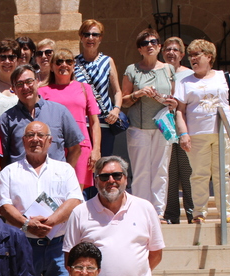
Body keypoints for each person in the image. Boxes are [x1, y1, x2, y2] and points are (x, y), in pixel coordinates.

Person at [0, 121, 82, 276]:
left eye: (40, 135)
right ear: (23, 140)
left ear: (49, 141)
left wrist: (48, 223)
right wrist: (27, 225)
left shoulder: (65, 169)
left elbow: (74, 201)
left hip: (58, 247)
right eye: (30, 135)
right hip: (23, 247)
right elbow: (4, 206)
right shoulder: (9, 171)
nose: (35, 139)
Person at [175, 39, 230, 224]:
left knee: (222, 173)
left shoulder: (224, 77)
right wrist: (183, 134)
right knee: (199, 174)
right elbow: (179, 110)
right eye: (190, 55)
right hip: (197, 134)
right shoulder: (185, 82)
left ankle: (227, 213)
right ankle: (199, 213)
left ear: (209, 56)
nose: (192, 59)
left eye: (196, 55)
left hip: (223, 132)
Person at [122, 29, 177, 220]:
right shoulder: (132, 70)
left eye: (154, 42)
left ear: (159, 46)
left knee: (161, 170)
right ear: (140, 49)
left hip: (163, 126)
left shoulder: (169, 69)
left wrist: (169, 101)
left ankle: (158, 213)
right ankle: (141, 212)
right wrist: (138, 94)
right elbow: (124, 101)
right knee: (141, 170)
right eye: (145, 43)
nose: (150, 45)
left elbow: (175, 99)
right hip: (139, 126)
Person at [38, 49, 102, 192]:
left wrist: (96, 149)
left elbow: (94, 122)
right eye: (59, 62)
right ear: (52, 66)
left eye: (69, 61)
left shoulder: (84, 88)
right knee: (52, 190)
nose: (64, 65)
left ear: (74, 66)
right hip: (53, 147)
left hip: (81, 147)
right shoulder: (42, 91)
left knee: (76, 193)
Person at [0, 65, 83, 167]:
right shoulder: (6, 119)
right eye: (19, 84)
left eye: (29, 81)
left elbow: (75, 149)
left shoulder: (60, 112)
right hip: (22, 179)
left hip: (54, 179)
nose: (25, 87)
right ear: (13, 89)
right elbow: (3, 158)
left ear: (37, 82)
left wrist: (64, 174)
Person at [74, 19, 124, 157]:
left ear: (100, 38)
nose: (91, 38)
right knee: (85, 163)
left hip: (105, 121)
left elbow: (117, 91)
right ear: (81, 37)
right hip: (83, 122)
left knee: (104, 163)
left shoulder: (107, 61)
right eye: (86, 34)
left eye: (95, 35)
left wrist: (116, 110)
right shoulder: (73, 63)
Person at [162, 37, 194, 224]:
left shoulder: (189, 75)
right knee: (169, 174)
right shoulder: (158, 72)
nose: (171, 52)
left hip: (186, 131)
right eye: (167, 49)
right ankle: (171, 215)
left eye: (175, 49)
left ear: (182, 54)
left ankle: (193, 213)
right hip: (165, 131)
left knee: (188, 173)